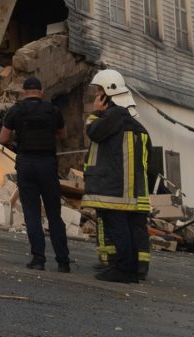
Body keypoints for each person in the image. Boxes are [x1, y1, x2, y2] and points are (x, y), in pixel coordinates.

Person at [83, 69, 152, 284]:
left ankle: (122, 270)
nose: (95, 97)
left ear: (107, 94)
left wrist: (95, 113)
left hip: (114, 187)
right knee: (130, 229)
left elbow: (94, 132)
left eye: (98, 92)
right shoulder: (137, 125)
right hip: (130, 188)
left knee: (117, 227)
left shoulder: (113, 116)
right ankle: (131, 269)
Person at [0, 76, 71, 272]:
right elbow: (63, 135)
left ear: (23, 92)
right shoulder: (53, 110)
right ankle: (63, 261)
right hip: (47, 164)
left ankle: (38, 259)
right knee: (54, 213)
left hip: (26, 163)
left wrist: (17, 136)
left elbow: (3, 138)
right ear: (41, 92)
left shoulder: (16, 110)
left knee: (31, 213)